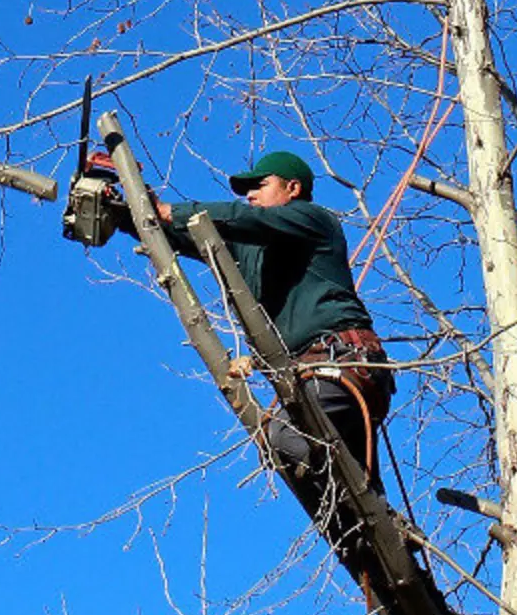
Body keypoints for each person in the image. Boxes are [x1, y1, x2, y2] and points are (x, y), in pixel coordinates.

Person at [117, 151, 395, 490]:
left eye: (259, 186)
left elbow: (242, 219)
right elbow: (184, 234)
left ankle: (359, 502)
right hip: (310, 378)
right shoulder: (249, 247)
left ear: (292, 188)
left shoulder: (312, 220)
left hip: (342, 364)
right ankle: (377, 528)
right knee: (350, 509)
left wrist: (170, 210)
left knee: (281, 438)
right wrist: (124, 212)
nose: (249, 196)